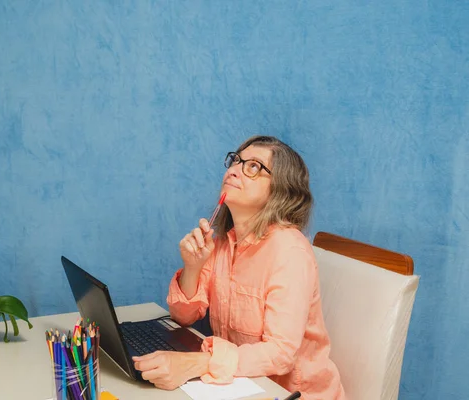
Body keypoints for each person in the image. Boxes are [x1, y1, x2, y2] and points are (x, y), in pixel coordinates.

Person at [133, 136, 345, 399]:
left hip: (292, 393)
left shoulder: (290, 251)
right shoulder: (224, 242)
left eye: (254, 166)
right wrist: (193, 267)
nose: (233, 170)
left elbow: (281, 355)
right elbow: (183, 317)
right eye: (236, 160)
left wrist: (197, 363)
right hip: (243, 387)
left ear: (281, 191)